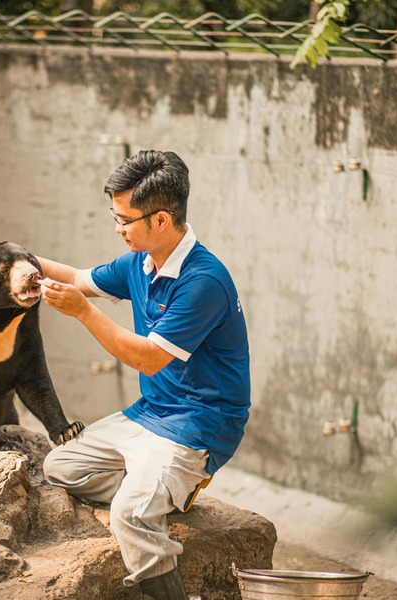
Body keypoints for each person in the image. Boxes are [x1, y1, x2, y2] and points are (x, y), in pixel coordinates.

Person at [37, 150, 251, 600]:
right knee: (60, 466)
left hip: (198, 425)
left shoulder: (203, 282)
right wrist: (13, 258)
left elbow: (149, 359)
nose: (117, 229)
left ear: (160, 220)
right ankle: (162, 488)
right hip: (149, 413)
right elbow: (78, 277)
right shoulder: (141, 260)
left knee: (130, 514)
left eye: (125, 220)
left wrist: (83, 313)